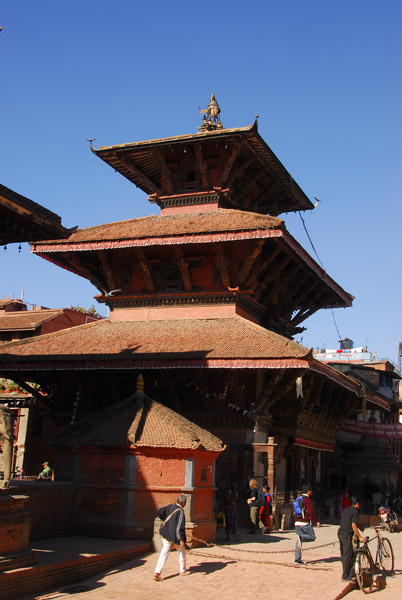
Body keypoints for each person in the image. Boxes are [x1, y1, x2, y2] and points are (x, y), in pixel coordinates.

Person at [154, 494, 189, 581]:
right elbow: (180, 527)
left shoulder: (170, 507)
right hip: (176, 536)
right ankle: (182, 570)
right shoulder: (180, 511)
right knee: (181, 552)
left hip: (167, 534)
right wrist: (181, 539)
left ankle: (157, 572)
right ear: (183, 502)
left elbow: (160, 512)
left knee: (164, 553)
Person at [338, 496, 366, 581]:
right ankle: (346, 576)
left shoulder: (347, 510)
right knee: (348, 555)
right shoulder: (355, 512)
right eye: (359, 504)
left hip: (340, 532)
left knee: (344, 554)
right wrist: (360, 537)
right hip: (346, 534)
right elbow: (353, 525)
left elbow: (352, 522)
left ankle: (347, 573)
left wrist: (360, 527)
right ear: (357, 504)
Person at [294, 484, 320, 565]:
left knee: (299, 541)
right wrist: (316, 521)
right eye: (311, 490)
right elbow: (310, 512)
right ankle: (301, 537)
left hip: (297, 522)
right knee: (312, 537)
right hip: (305, 523)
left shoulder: (298, 498)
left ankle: (297, 560)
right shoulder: (307, 500)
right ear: (308, 491)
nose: (311, 492)